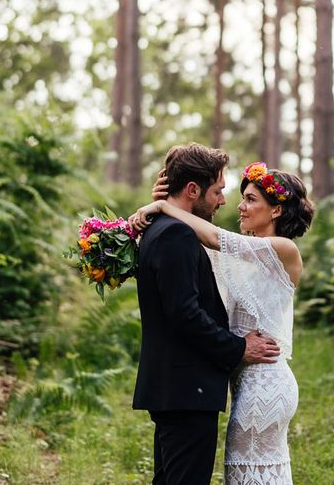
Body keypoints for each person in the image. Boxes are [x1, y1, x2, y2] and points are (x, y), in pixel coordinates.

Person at [131, 160, 315, 485]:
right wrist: (168, 202)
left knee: (249, 476)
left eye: (251, 199)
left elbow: (214, 237)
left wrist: (162, 205)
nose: (240, 206)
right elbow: (189, 246)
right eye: (241, 197)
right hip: (243, 381)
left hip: (264, 379)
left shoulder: (284, 250)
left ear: (276, 211)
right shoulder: (239, 257)